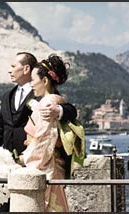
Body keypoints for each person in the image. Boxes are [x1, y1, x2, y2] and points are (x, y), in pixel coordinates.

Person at [0, 52, 78, 211]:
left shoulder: (43, 93)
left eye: (13, 66)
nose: (9, 71)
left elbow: (69, 109)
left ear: (26, 69)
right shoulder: (7, 96)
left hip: (34, 165)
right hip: (10, 167)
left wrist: (59, 110)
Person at [19, 54, 84, 212]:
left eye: (33, 79)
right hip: (55, 165)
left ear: (45, 81)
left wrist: (24, 158)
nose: (31, 84)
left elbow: (44, 140)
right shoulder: (56, 101)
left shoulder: (47, 104)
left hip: (48, 166)